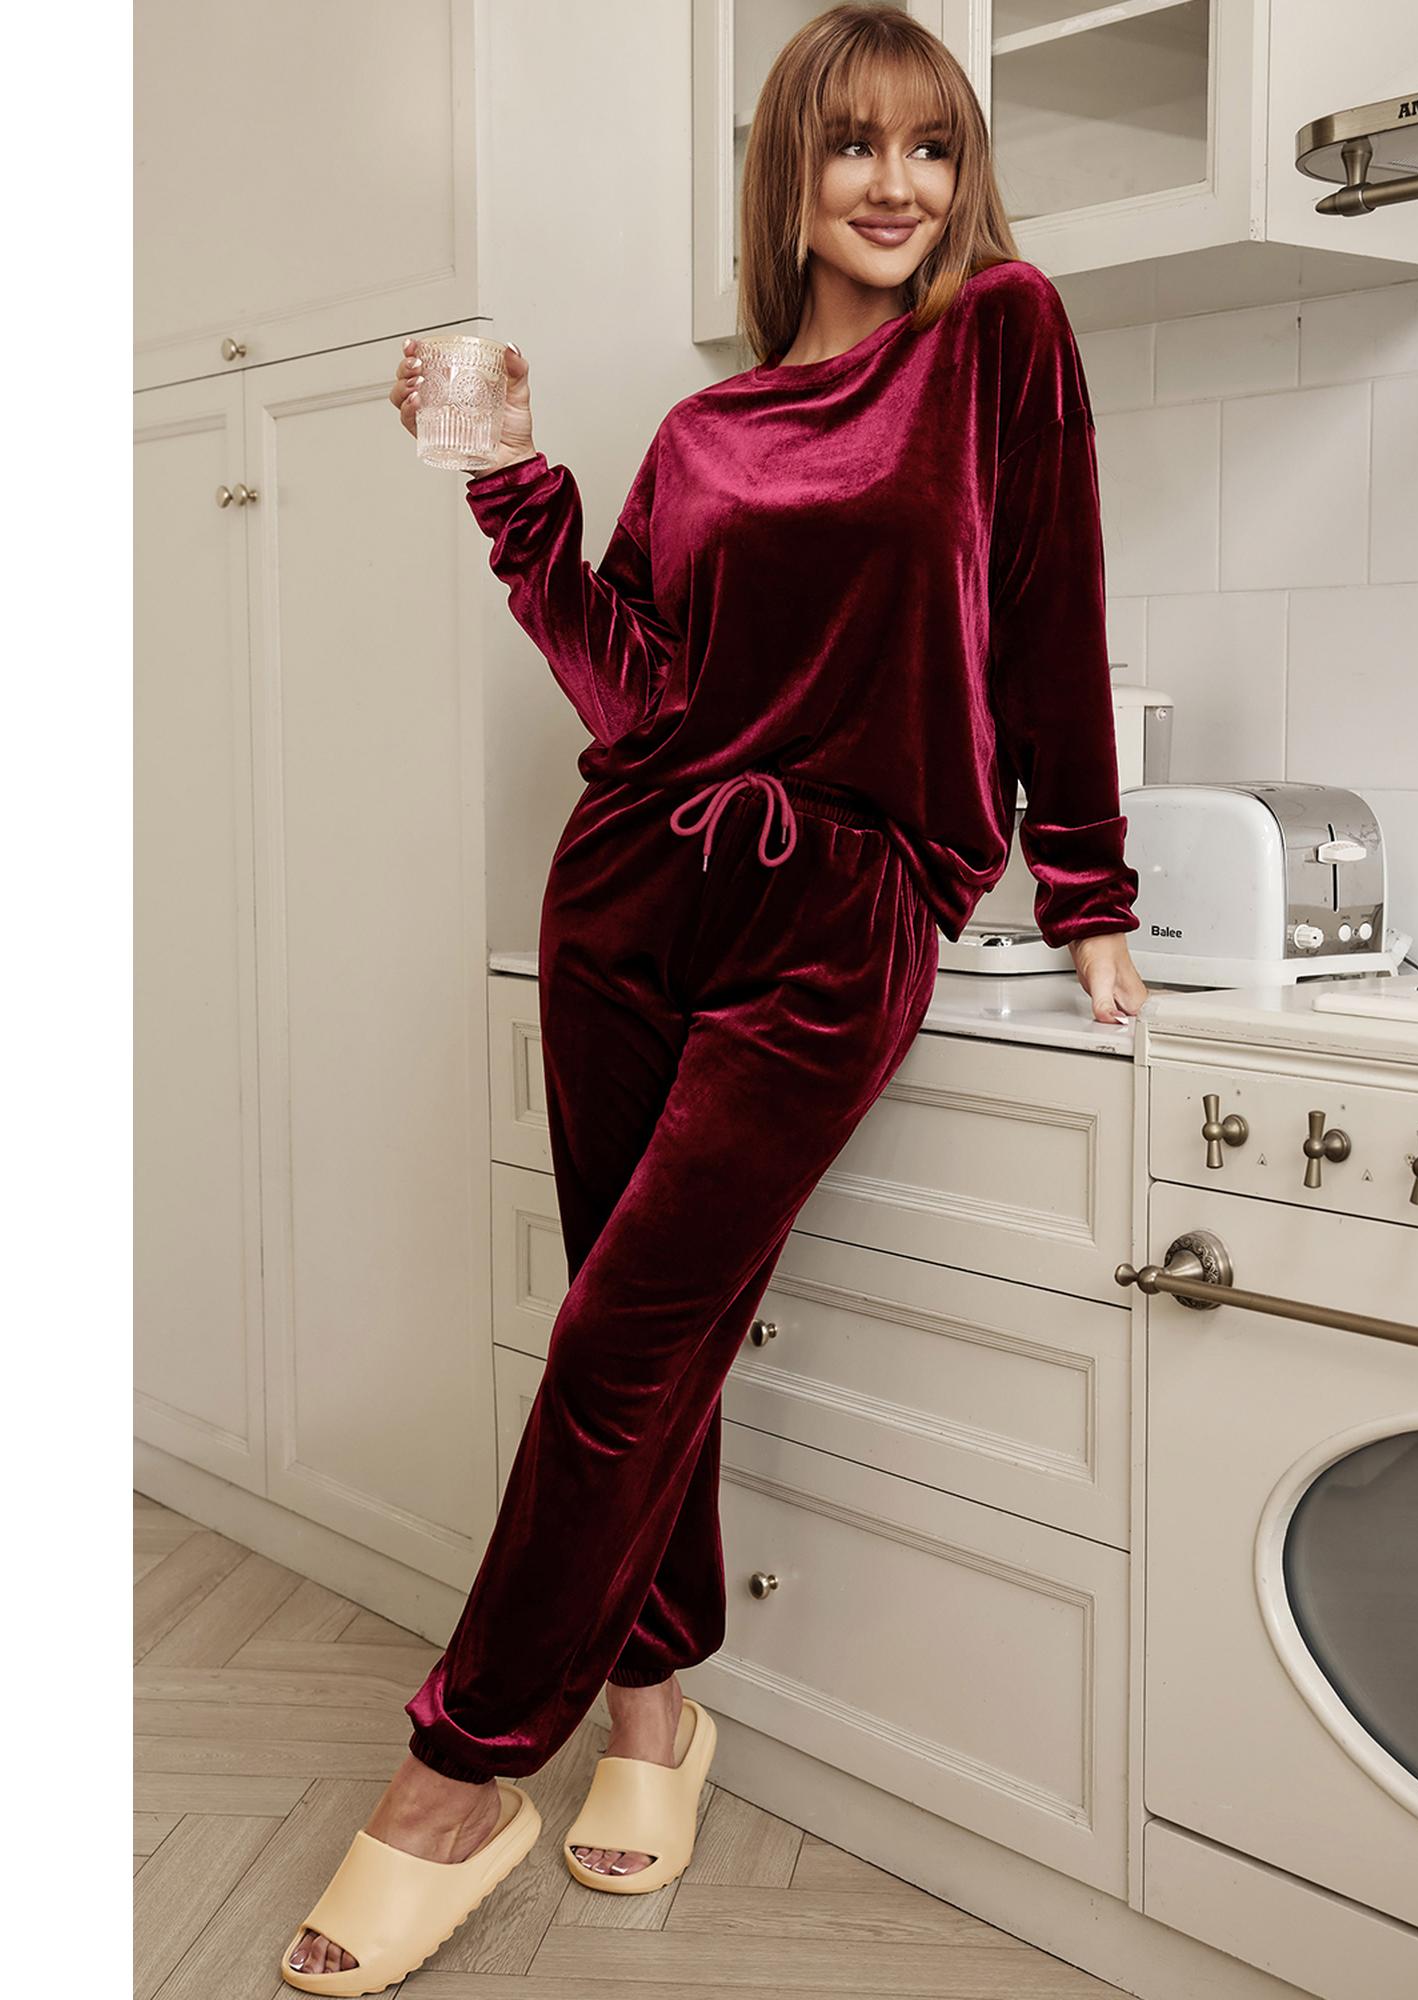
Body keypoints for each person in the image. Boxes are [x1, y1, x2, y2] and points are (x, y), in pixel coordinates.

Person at [282, 4, 1145, 1987]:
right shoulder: (703, 436)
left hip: (843, 912)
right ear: (786, 172)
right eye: (851, 145)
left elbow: (1054, 609)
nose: (895, 185)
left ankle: (455, 1776)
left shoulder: (1001, 336)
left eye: (930, 146)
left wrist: (1086, 887)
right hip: (627, 892)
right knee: (629, 1327)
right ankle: (655, 1716)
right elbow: (633, 693)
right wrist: (511, 484)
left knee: (621, 1343)